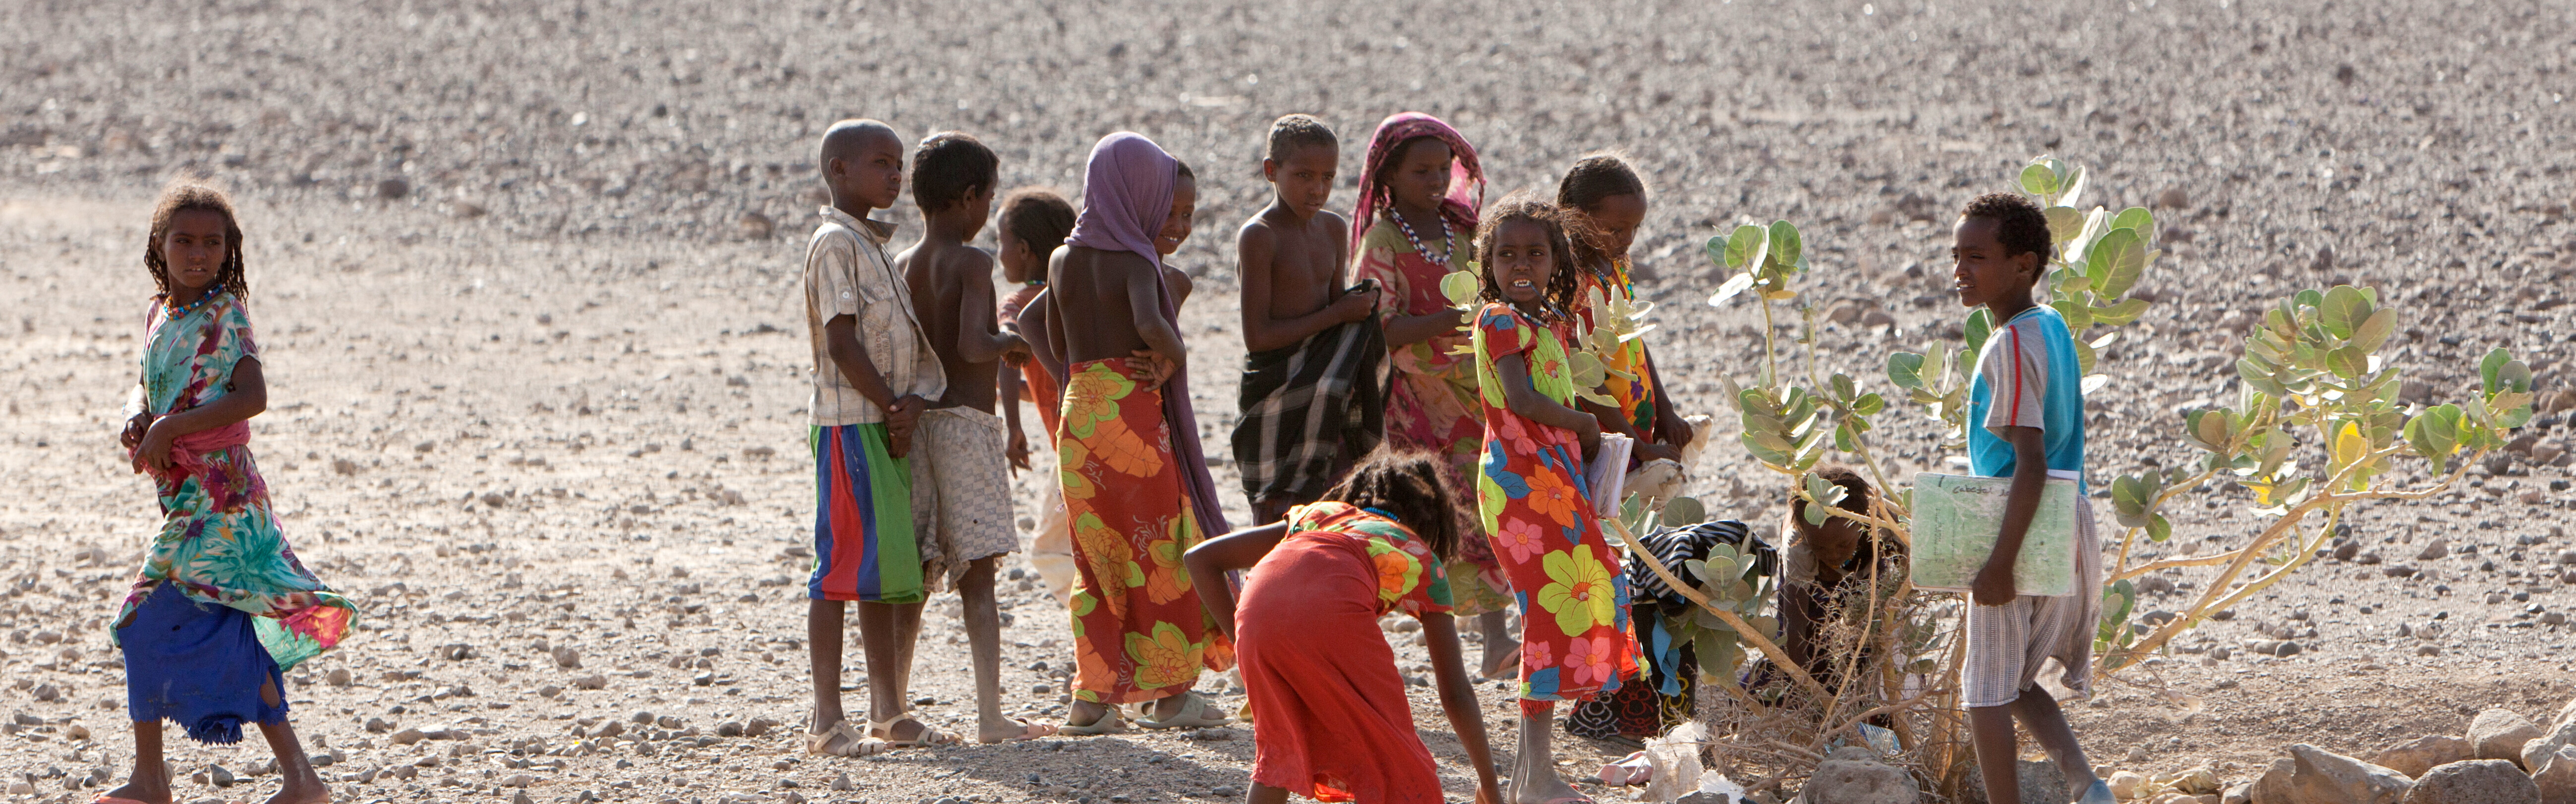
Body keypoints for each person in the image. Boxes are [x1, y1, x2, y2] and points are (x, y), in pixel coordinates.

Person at [102, 181, 356, 804]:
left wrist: (172, 427)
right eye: (183, 240)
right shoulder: (160, 312)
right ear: (159, 246)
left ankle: (152, 781)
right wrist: (137, 414)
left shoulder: (226, 315)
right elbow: (145, 381)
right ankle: (300, 780)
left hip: (225, 498)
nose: (197, 253)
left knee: (140, 622)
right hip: (185, 495)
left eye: (211, 243)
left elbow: (252, 397)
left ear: (228, 250)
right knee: (226, 629)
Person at [1040, 132, 1233, 735]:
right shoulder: (1135, 261)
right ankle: (1169, 694)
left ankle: (1092, 698)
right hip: (1131, 413)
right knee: (1157, 551)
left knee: (1096, 559)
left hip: (1080, 413)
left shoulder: (1061, 259)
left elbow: (1048, 334)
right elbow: (1155, 328)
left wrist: (1084, 383)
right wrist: (1171, 355)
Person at [1184, 449, 1502, 804]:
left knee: (1278, 753)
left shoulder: (1319, 514)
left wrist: (1243, 641)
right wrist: (1489, 784)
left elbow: (1199, 559)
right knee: (1398, 760)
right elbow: (1455, 692)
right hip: (1332, 617)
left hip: (1256, 612)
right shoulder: (1419, 556)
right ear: (1430, 522)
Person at [1467, 197, 1640, 804]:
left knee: (1568, 599)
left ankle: (1527, 779)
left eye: (1535, 253)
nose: (1521, 264)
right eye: (1507, 253)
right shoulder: (1499, 320)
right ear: (1487, 262)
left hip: (1545, 481)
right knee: (1550, 614)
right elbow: (1522, 401)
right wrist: (1588, 429)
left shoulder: (1543, 322)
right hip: (1522, 488)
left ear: (1555, 260)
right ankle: (1536, 776)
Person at [892, 131, 1057, 744]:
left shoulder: (906, 262)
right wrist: (1012, 343)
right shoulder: (971, 262)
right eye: (988, 197)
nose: (989, 210)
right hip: (964, 427)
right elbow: (969, 345)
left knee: (917, 574)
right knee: (978, 577)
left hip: (921, 426)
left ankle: (898, 705)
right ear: (968, 199)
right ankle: (991, 715)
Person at [1950, 192, 2114, 804]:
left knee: (1984, 690)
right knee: (2014, 679)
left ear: (2022, 264)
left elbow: (2030, 461)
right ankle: (2085, 784)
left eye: (1976, 257)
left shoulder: (2011, 344)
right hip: (2064, 520)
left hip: (2018, 527)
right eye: (1955, 256)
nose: (1959, 271)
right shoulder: (2048, 326)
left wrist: (1997, 565)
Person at [799, 119, 954, 756]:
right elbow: (841, 342)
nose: (895, 176)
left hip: (882, 422)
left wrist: (905, 407)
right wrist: (892, 405)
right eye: (880, 164)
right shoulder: (835, 242)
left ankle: (888, 711)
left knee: (883, 568)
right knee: (839, 569)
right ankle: (826, 720)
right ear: (839, 171)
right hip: (850, 425)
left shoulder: (873, 244)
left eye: (899, 165)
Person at [1348, 112, 1516, 676]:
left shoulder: (1462, 231)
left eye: (1443, 169)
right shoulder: (1384, 240)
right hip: (1418, 402)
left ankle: (1496, 641)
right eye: (1421, 171)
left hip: (1473, 393)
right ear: (1388, 174)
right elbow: (1383, 327)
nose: (1436, 181)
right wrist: (1450, 316)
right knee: (1430, 514)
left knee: (1487, 505)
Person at [1231, 113, 1387, 524]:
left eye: (1328, 177)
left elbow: (1339, 329)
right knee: (1278, 511)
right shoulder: (1259, 235)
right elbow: (1257, 337)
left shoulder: (1335, 229)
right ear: (1271, 171)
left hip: (1325, 394)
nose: (1317, 189)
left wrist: (1357, 307)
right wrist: (1338, 312)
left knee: (1334, 497)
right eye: (1303, 175)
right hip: (1278, 391)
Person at [1554, 155, 1694, 473]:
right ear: (1576, 218)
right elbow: (1585, 383)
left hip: (1634, 425)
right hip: (1605, 436)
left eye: (1635, 228)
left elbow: (1635, 341)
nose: (1628, 239)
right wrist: (1635, 444)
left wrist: (1666, 410)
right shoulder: (1572, 285)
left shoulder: (1613, 267)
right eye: (1616, 230)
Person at [994, 188, 1081, 606]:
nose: (999, 254)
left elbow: (1005, 345)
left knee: (1050, 551)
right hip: (1103, 428)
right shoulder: (1077, 293)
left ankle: (1101, 629)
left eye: (1001, 244)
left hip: (1072, 446)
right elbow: (1050, 380)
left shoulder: (1020, 302)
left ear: (1024, 250)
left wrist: (1012, 425)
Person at [1775, 466, 1903, 691]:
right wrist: (1806, 691)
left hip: (1866, 575)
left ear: (1863, 522)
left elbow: (1906, 568)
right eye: (1821, 548)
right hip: (1811, 589)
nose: (1833, 555)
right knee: (1809, 658)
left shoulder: (1881, 521)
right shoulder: (1798, 545)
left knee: (1874, 650)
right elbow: (1795, 628)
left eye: (1843, 545)